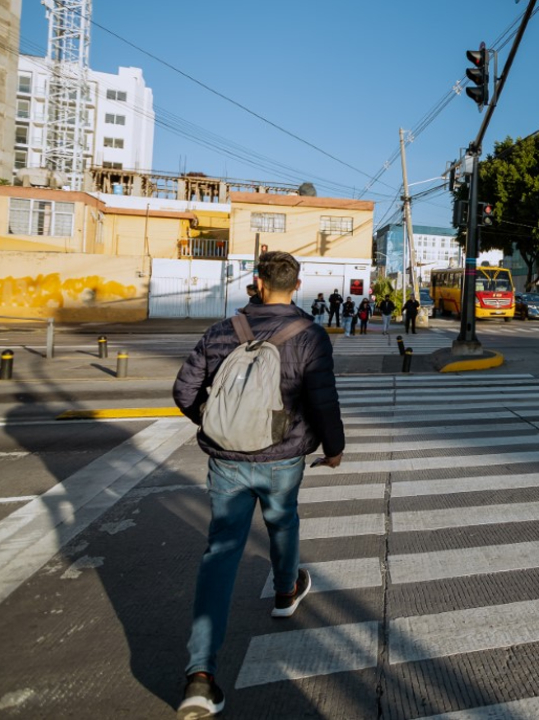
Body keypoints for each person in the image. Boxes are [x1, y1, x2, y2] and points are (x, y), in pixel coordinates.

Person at [171, 250, 344, 719]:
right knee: (283, 521)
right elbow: (323, 399)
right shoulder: (309, 334)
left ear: (258, 283)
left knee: (221, 553)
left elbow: (184, 391)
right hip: (283, 456)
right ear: (297, 284)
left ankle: (200, 677)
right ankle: (286, 592)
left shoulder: (221, 331)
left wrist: (219, 425)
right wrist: (333, 448)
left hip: (226, 461)